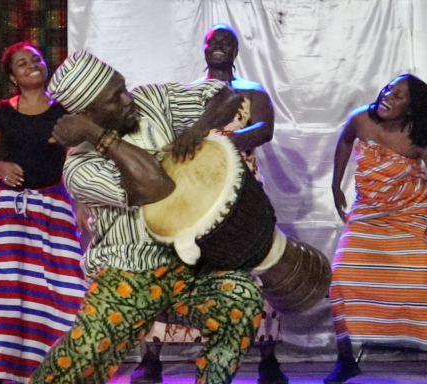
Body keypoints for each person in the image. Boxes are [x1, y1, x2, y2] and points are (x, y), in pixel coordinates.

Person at [28, 49, 264, 384]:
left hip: (191, 267)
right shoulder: (80, 167)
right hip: (128, 276)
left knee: (242, 298)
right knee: (79, 362)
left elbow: (226, 96)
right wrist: (99, 136)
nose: (128, 99)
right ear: (87, 115)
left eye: (123, 87)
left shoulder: (151, 99)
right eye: (115, 98)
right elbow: (156, 187)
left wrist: (198, 128)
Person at [131, 23, 287, 384]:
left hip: (242, 192)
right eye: (212, 41)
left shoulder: (251, 91)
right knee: (169, 268)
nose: (218, 46)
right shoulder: (188, 93)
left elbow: (264, 130)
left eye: (226, 42)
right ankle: (151, 359)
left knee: (256, 267)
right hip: (194, 191)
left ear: (236, 51)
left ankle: (268, 358)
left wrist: (217, 142)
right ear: (202, 49)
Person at [0, 42, 88, 384]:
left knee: (64, 287)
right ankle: (5, 367)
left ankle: (62, 366)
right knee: (9, 287)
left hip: (54, 206)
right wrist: (0, 167)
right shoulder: (3, 111)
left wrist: (79, 205)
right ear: (13, 77)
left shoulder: (64, 110)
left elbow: (76, 161)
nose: (31, 65)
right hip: (12, 209)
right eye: (22, 63)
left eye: (36, 59)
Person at [326, 74, 427, 384]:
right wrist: (335, 185)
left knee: (417, 282)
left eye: (401, 97)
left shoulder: (417, 136)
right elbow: (345, 142)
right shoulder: (360, 119)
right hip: (369, 212)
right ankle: (346, 361)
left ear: (411, 110)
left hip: (411, 212)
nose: (389, 96)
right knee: (341, 280)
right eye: (390, 89)